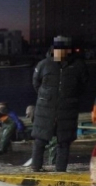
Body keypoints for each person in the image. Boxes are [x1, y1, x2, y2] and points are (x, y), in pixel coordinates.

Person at [31, 36, 89, 172]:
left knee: (64, 142)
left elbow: (83, 86)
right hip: (45, 109)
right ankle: (35, 167)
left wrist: (68, 98)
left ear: (69, 51)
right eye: (58, 49)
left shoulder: (79, 66)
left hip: (67, 110)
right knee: (40, 140)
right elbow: (36, 84)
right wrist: (47, 97)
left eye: (64, 49)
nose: (60, 53)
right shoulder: (43, 65)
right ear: (53, 49)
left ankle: (60, 171)